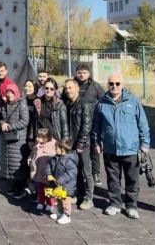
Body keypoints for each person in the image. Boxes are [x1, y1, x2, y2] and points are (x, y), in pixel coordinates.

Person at [92, 73, 150, 219]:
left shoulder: (133, 101)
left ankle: (131, 206)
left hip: (130, 148)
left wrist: (145, 143)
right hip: (111, 149)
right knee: (113, 179)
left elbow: (142, 124)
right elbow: (96, 126)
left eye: (117, 83)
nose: (114, 86)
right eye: (111, 83)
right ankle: (115, 204)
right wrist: (97, 142)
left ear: (122, 85)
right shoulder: (102, 104)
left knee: (132, 180)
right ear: (107, 85)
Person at [63, 79, 95, 210]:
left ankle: (88, 198)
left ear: (77, 89)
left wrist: (81, 144)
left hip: (83, 144)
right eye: (66, 88)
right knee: (74, 171)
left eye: (70, 88)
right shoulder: (67, 104)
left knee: (86, 171)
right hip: (71, 144)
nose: (68, 91)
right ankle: (77, 194)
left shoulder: (84, 104)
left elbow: (87, 126)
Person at [74, 63, 104, 186]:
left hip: (93, 123)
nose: (82, 75)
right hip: (76, 123)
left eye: (84, 72)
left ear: (89, 73)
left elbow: (103, 103)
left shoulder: (96, 87)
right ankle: (79, 172)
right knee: (77, 148)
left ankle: (95, 173)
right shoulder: (72, 85)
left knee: (94, 148)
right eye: (79, 72)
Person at [0, 83, 29, 197]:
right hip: (9, 139)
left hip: (18, 139)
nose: (9, 94)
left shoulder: (22, 104)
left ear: (16, 92)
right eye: (7, 92)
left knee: (18, 165)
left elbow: (24, 121)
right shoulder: (6, 104)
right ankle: (14, 188)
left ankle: (21, 190)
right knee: (10, 164)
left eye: (11, 92)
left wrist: (10, 127)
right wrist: (2, 123)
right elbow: (1, 118)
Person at [43, 139, 79, 225]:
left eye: (56, 147)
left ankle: (67, 216)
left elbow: (72, 173)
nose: (55, 149)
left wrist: (59, 180)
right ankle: (60, 213)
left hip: (66, 186)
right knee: (59, 200)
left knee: (66, 202)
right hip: (58, 185)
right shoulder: (55, 157)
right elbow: (48, 166)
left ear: (62, 150)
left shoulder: (69, 160)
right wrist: (48, 174)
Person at [28, 129, 56, 212]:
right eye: (37, 136)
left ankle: (50, 203)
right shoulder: (37, 144)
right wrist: (29, 158)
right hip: (38, 171)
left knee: (49, 189)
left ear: (46, 138)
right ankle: (40, 201)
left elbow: (54, 158)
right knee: (40, 188)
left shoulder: (52, 145)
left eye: (39, 137)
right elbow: (33, 153)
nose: (37, 138)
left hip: (47, 172)